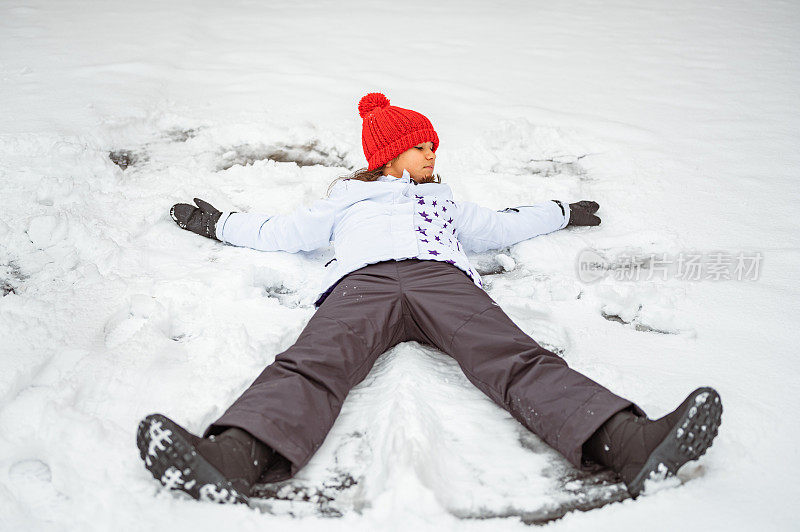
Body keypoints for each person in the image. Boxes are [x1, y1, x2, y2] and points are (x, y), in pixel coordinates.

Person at [137, 93, 722, 505]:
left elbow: (498, 225)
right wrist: (220, 224)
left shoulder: (441, 199)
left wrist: (560, 212)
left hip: (444, 282)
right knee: (313, 363)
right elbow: (283, 233)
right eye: (421, 147)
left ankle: (629, 442)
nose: (431, 156)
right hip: (363, 285)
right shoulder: (348, 197)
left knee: (515, 357)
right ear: (388, 154)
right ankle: (233, 457)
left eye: (433, 148)